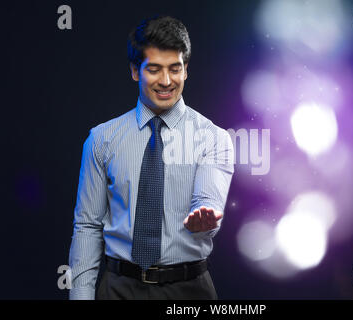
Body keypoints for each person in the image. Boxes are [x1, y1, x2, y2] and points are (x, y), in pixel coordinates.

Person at [68, 16, 234, 300]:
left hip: (189, 291)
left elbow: (208, 201)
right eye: (154, 70)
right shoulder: (101, 139)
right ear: (135, 71)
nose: (166, 81)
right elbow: (88, 225)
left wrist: (204, 220)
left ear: (186, 70)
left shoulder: (214, 138)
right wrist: (81, 296)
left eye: (175, 69)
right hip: (118, 288)